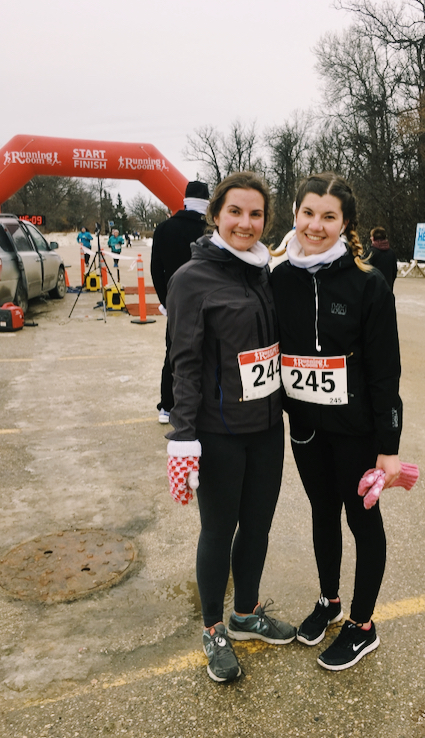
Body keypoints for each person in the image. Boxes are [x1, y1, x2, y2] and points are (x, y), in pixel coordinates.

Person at [165, 172, 296, 683]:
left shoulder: (264, 272)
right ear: (215, 215)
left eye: (256, 214)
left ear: (266, 220)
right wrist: (182, 438)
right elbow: (184, 365)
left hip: (266, 428)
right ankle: (214, 628)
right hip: (218, 433)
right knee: (219, 531)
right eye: (235, 212)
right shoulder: (191, 279)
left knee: (258, 527)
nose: (246, 223)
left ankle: (245, 613)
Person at [270, 172, 403, 672]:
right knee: (321, 512)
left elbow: (385, 373)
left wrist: (389, 446)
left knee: (361, 520)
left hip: (357, 432)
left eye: (329, 217)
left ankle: (363, 625)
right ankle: (329, 601)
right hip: (306, 429)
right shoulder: (279, 279)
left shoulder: (368, 284)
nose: (316, 225)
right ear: (295, 214)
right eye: (308, 213)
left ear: (345, 224)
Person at [151, 181, 210, 424]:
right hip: (209, 302)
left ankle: (167, 405)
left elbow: (156, 269)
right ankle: (203, 404)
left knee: (173, 354)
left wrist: (166, 302)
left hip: (176, 303)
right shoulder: (211, 230)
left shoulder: (164, 228)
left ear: (185, 201)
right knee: (208, 354)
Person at [367, 226, 397, 290]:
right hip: (387, 289)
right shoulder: (391, 253)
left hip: (373, 290)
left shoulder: (371, 253)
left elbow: (365, 272)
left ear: (373, 238)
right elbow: (394, 272)